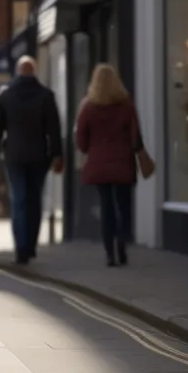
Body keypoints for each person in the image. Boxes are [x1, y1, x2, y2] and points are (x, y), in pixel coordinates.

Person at [0, 56, 64, 266]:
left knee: (19, 199)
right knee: (34, 199)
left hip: (14, 156)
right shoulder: (46, 96)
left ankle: (20, 248)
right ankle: (30, 246)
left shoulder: (6, 96)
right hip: (40, 155)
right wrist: (58, 155)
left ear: (19, 72)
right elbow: (54, 130)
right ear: (35, 72)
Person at [76, 64, 143, 267]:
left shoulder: (87, 107)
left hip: (100, 164)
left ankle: (109, 254)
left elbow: (81, 142)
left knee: (106, 208)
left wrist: (93, 149)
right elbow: (136, 138)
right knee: (123, 206)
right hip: (123, 163)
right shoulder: (127, 105)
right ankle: (122, 247)